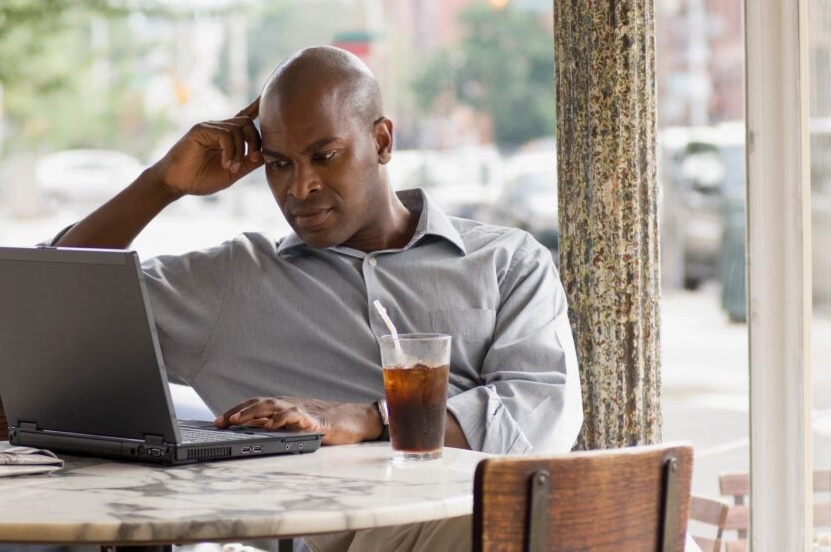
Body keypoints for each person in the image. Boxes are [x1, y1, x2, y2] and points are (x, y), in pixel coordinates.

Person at [48, 45, 582, 551]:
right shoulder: (235, 281)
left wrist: (370, 418)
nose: (299, 188)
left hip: (484, 518)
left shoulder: (507, 262)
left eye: (324, 156)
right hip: (363, 536)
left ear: (382, 142)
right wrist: (161, 183)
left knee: (535, 509)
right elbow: (50, 299)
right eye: (279, 164)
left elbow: (541, 414)